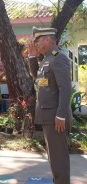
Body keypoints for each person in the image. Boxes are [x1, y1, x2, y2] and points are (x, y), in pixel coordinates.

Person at [27, 27, 72, 184]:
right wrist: (32, 55)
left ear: (48, 39)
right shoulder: (47, 59)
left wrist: (61, 115)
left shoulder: (58, 58)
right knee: (54, 159)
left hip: (56, 118)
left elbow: (65, 88)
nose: (36, 44)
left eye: (38, 41)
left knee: (59, 160)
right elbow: (37, 76)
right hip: (49, 117)